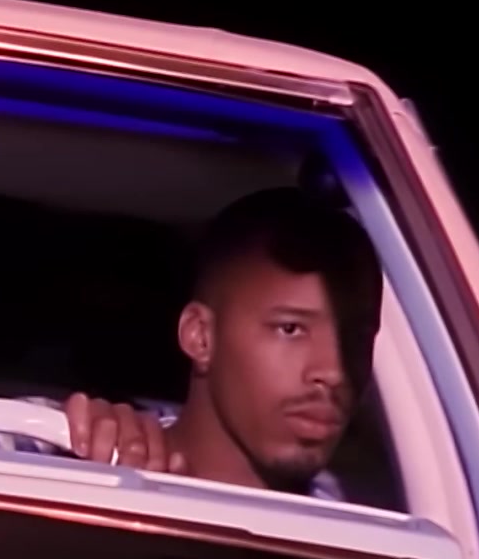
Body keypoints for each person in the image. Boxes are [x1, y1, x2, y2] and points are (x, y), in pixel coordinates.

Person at [61, 187, 384, 497]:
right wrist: (82, 453)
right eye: (290, 329)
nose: (334, 372)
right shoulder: (62, 448)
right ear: (200, 336)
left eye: (355, 337)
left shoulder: (360, 522)